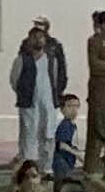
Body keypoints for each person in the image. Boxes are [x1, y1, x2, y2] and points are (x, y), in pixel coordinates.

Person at [11, 20, 69, 169]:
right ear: (29, 40)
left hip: (48, 104)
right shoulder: (21, 60)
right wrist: (24, 94)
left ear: (45, 40)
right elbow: (14, 80)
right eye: (34, 37)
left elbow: (56, 79)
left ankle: (46, 167)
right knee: (28, 134)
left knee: (48, 135)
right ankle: (27, 166)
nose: (38, 40)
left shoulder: (51, 60)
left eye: (41, 37)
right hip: (29, 103)